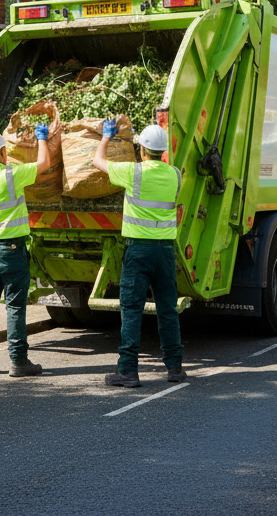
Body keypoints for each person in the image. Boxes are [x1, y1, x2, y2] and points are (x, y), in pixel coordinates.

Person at [92, 121, 185, 387]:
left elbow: (98, 160)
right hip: (165, 252)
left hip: (138, 252)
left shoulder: (133, 173)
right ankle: (175, 368)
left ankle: (128, 371)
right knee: (168, 310)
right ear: (163, 152)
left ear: (142, 149)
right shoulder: (175, 175)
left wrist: (107, 136)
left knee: (131, 310)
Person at [0, 125, 52, 376]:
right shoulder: (11, 175)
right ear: (3, 152)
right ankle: (18, 361)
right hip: (11, 250)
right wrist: (42, 138)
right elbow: (44, 163)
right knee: (15, 307)